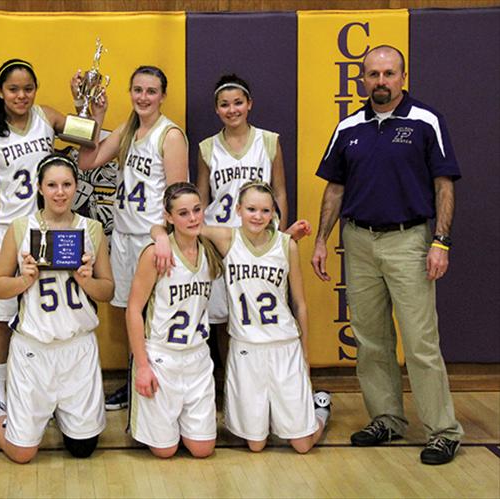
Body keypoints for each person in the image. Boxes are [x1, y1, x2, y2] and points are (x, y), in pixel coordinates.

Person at [311, 44, 463, 465]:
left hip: (409, 241)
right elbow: (335, 188)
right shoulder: (349, 127)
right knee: (371, 341)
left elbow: (444, 185)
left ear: (403, 76)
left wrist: (441, 241)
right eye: (373, 74)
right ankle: (387, 419)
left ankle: (444, 431)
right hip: (358, 242)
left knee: (420, 343)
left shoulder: (425, 120)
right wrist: (322, 239)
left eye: (389, 73)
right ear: (362, 79)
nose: (381, 81)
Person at [153, 181, 331, 453]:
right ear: (238, 209)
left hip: (284, 345)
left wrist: (305, 356)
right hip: (246, 348)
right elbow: (171, 225)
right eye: (251, 209)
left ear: (274, 214)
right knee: (256, 444)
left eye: (265, 210)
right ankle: (276, 418)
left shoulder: (287, 246)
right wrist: (161, 238)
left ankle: (320, 412)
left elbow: (301, 304)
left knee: (303, 445)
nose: (257, 216)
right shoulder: (227, 238)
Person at [0, 154, 114, 463]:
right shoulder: (21, 227)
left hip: (77, 348)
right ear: (39, 188)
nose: (60, 192)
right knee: (22, 454)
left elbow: (107, 291)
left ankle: (58, 415)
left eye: (67, 184)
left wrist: (87, 280)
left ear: (77, 187)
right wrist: (23, 281)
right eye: (52, 185)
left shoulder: (91, 230)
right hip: (33, 348)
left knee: (83, 450)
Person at [78, 65, 189, 411]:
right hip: (124, 235)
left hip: (151, 238)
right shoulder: (128, 128)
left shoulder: (169, 135)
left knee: (155, 315)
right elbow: (86, 161)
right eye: (137, 90)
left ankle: (162, 384)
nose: (143, 97)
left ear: (162, 95)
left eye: (151, 91)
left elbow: (178, 198)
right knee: (132, 313)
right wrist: (97, 115)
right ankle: (135, 380)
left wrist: (166, 237)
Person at [0, 59, 82, 402]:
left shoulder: (47, 117)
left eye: (28, 88)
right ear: (1, 91)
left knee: (48, 309)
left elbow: (90, 135)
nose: (21, 96)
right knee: (1, 315)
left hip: (48, 226)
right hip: (6, 227)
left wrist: (83, 103)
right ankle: (0, 389)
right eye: (13, 89)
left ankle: (46, 390)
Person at [196, 73, 292, 366]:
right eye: (225, 104)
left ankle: (262, 374)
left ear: (249, 104)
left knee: (259, 308)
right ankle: (230, 380)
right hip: (221, 240)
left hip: (259, 238)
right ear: (216, 109)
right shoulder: (207, 147)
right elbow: (201, 197)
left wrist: (282, 235)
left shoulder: (269, 141)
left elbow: (280, 192)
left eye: (238, 102)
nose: (232, 109)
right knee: (224, 314)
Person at [127, 182, 222, 458]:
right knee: (164, 451)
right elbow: (133, 310)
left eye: (196, 210)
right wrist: (142, 366)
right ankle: (165, 425)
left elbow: (253, 236)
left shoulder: (211, 247)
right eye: (183, 213)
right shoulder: (154, 254)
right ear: (168, 216)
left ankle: (181, 423)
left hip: (197, 358)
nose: (192, 218)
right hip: (161, 357)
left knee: (203, 450)